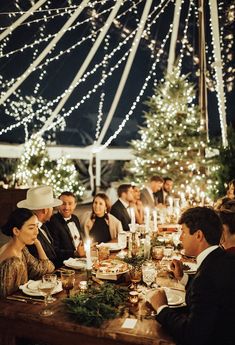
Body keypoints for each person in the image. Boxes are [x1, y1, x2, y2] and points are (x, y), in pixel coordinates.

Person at [149, 206, 235, 345]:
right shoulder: (223, 258)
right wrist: (182, 278)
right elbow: (209, 295)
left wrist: (161, 307)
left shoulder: (206, 278)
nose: (180, 238)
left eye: (183, 232)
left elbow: (192, 335)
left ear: (199, 235)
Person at [0, 208, 54, 297]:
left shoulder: (22, 249)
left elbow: (47, 268)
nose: (36, 232)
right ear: (16, 231)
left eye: (37, 227)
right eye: (31, 228)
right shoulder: (13, 262)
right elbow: (7, 302)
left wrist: (38, 243)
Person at [17, 185, 62, 268]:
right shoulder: (29, 233)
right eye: (52, 207)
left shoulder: (44, 225)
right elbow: (35, 266)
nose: (53, 210)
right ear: (45, 210)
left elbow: (54, 252)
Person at [47, 191, 85, 265]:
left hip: (80, 260)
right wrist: (75, 253)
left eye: (70, 204)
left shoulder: (75, 218)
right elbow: (54, 250)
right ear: (58, 205)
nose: (66, 207)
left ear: (75, 205)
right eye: (63, 204)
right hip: (65, 264)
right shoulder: (54, 221)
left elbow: (78, 239)